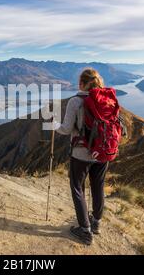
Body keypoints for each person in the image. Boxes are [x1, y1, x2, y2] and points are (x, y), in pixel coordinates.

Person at [54, 68, 110, 245]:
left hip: (81, 154)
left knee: (78, 188)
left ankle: (84, 230)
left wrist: (55, 125)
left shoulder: (75, 101)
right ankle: (96, 223)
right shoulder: (107, 100)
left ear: (81, 84)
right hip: (102, 154)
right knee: (98, 186)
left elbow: (66, 129)